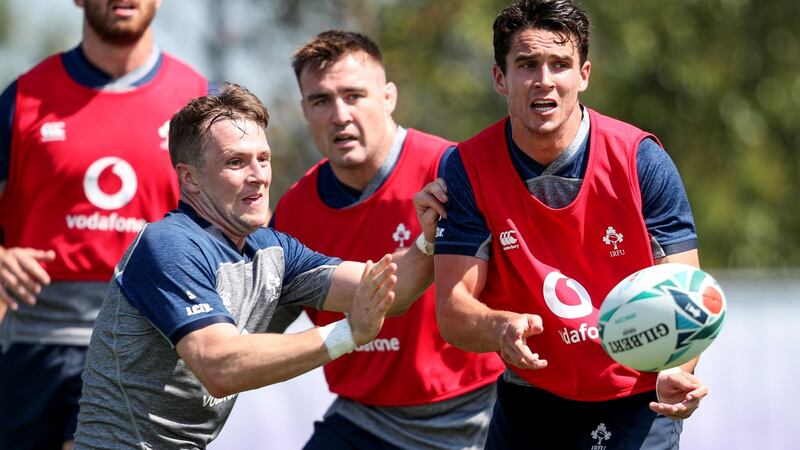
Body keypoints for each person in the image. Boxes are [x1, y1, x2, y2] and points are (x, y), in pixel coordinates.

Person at [72, 83, 437, 449]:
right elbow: (220, 366)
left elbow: (390, 290)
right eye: (236, 161)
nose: (259, 176)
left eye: (263, 158)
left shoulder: (271, 248)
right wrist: (348, 333)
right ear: (189, 178)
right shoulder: (168, 245)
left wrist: (432, 238)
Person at [416, 1, 709, 448]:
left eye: (560, 64)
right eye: (527, 64)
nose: (545, 80)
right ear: (501, 78)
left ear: (584, 74)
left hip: (636, 395)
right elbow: (453, 310)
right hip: (530, 397)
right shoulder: (467, 168)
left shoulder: (641, 159)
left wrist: (677, 372)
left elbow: (686, 296)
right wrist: (499, 328)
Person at [269, 30, 504, 450]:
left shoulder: (451, 170)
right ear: (305, 110)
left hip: (478, 413)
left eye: (353, 95)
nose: (339, 115)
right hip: (365, 419)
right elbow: (257, 327)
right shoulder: (293, 211)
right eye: (321, 100)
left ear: (388, 97)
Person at [0, 1, 208, 449]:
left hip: (147, 349)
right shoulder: (22, 98)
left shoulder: (199, 102)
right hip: (33, 350)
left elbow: (235, 224)